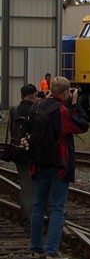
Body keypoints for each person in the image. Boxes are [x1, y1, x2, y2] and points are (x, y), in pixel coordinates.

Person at [28, 76, 89, 259]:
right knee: (57, 208)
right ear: (65, 93)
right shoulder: (62, 111)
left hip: (39, 163)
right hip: (59, 164)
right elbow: (81, 125)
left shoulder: (36, 107)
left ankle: (36, 248)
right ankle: (51, 251)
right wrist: (75, 105)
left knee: (38, 206)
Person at [9, 83, 40, 230]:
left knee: (25, 187)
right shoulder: (36, 110)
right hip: (34, 154)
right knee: (35, 187)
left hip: (18, 152)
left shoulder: (14, 110)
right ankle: (31, 220)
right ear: (33, 95)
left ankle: (27, 217)